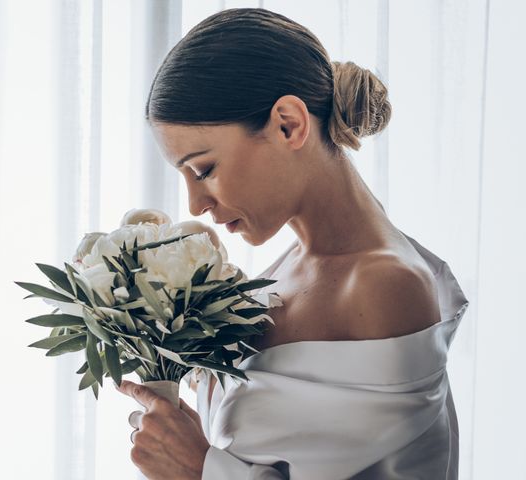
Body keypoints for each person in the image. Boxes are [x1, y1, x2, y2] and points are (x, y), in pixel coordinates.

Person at [115, 7, 469, 479]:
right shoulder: (280, 271)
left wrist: (202, 469)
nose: (196, 204)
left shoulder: (383, 285)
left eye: (204, 170)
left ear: (288, 124)